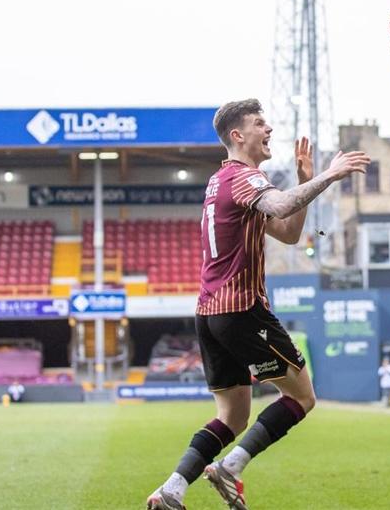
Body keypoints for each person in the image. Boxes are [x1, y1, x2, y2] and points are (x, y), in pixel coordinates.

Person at [146, 99, 370, 510]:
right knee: (303, 397)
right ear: (237, 135)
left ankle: (171, 489)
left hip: (209, 313)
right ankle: (230, 467)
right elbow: (282, 204)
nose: (268, 129)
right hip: (242, 309)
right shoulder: (244, 177)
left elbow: (287, 232)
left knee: (232, 417)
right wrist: (329, 175)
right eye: (259, 123)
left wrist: (305, 183)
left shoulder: (220, 182)